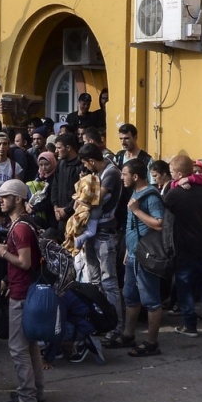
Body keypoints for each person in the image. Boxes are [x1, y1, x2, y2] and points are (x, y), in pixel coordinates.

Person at [104, 158, 165, 357]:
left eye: (124, 174)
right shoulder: (135, 192)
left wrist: (137, 210)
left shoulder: (151, 197)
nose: (121, 178)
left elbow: (159, 223)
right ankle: (128, 335)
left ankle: (151, 343)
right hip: (133, 255)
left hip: (146, 257)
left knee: (151, 300)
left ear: (135, 176)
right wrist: (129, 251)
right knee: (130, 296)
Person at [0, 179, 44, 402]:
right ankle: (35, 391)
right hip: (26, 290)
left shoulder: (20, 228)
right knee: (30, 345)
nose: (0, 200)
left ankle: (27, 396)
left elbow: (24, 262)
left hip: (22, 293)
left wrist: (3, 253)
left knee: (17, 348)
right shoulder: (24, 224)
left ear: (19, 199)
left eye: (5, 196)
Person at [77, 144, 124, 343]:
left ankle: (116, 326)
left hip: (105, 233)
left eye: (87, 165)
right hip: (92, 233)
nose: (87, 169)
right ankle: (100, 321)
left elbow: (96, 198)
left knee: (109, 282)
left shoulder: (111, 172)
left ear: (92, 160)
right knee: (94, 281)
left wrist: (81, 199)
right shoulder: (100, 172)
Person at [164, 155, 202, 337]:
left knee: (184, 287)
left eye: (172, 173)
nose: (171, 176)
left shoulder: (175, 194)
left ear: (180, 174)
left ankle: (189, 325)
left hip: (183, 246)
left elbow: (165, 219)